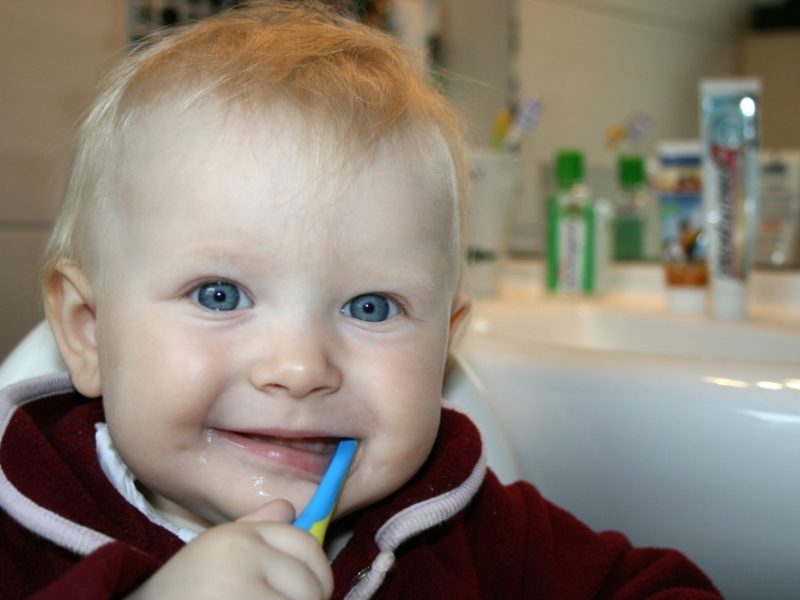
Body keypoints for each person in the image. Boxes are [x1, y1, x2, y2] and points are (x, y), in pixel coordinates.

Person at [0, 2, 721, 598]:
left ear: (445, 339)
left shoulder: (471, 527)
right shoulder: (20, 532)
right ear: (89, 333)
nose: (300, 367)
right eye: (220, 294)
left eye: (370, 307)